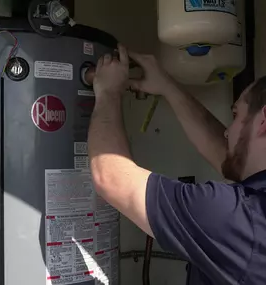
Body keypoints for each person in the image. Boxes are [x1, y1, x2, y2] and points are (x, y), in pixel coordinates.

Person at [88, 44, 266, 285]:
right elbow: (230, 156)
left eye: (236, 116)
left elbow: (111, 178)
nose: (227, 133)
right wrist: (167, 86)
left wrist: (109, 92)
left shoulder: (238, 219)